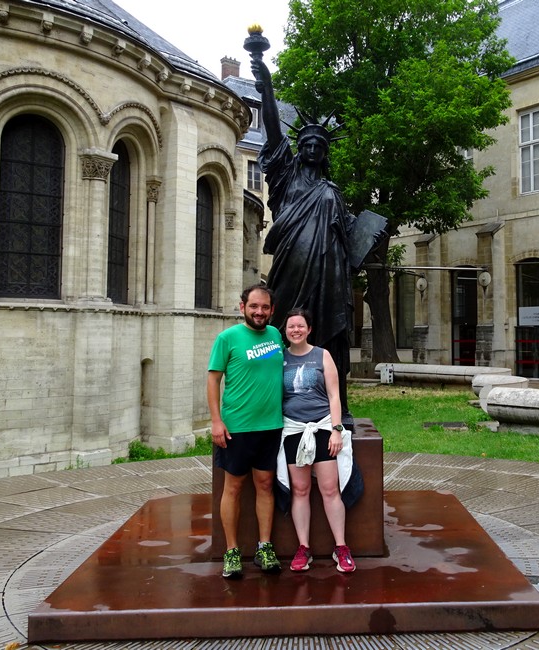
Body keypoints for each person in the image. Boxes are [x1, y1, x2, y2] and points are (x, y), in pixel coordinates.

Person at [250, 54, 355, 420]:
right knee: (285, 332)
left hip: (330, 274)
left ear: (324, 153)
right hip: (292, 267)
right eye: (306, 144)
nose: (311, 149)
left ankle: (336, 404)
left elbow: (349, 236)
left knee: (329, 335)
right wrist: (267, 86)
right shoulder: (285, 177)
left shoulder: (332, 189)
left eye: (318, 146)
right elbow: (276, 132)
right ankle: (274, 402)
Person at [207, 284, 284, 579]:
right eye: (254, 307)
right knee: (234, 488)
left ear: (272, 310)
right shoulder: (227, 338)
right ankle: (232, 551)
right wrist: (216, 421)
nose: (259, 312)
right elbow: (213, 380)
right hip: (237, 427)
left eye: (265, 307)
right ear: (242, 308)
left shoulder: (276, 335)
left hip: (271, 426)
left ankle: (264, 547)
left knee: (265, 485)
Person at [277, 308, 356, 573]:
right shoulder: (280, 359)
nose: (295, 330)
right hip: (293, 430)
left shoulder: (322, 355)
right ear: (285, 331)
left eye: (300, 326)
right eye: (291, 327)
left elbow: (335, 396)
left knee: (329, 489)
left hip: (322, 428)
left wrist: (336, 430)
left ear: (309, 329)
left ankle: (341, 547)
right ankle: (303, 547)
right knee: (300, 490)